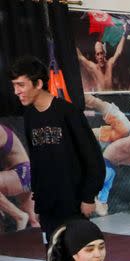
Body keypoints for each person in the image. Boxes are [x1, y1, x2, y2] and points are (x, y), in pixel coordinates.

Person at [11, 56, 105, 245]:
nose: (16, 91)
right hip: (47, 205)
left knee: (76, 260)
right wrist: (37, 199)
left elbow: (93, 159)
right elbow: (36, 161)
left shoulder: (68, 112)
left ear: (38, 83)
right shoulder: (29, 116)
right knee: (54, 260)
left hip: (73, 203)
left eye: (21, 85)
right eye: (14, 85)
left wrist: (88, 197)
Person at [0, 123, 37, 231]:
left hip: (23, 173)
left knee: (25, 217)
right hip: (26, 175)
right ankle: (39, 246)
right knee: (33, 220)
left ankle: (19, 216)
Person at [76, 27, 128, 92]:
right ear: (96, 57)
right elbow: (80, 57)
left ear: (104, 54)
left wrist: (124, 34)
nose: (100, 57)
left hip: (112, 97)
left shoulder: (110, 64)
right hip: (100, 99)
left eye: (101, 53)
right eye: (98, 54)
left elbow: (118, 52)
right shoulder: (94, 68)